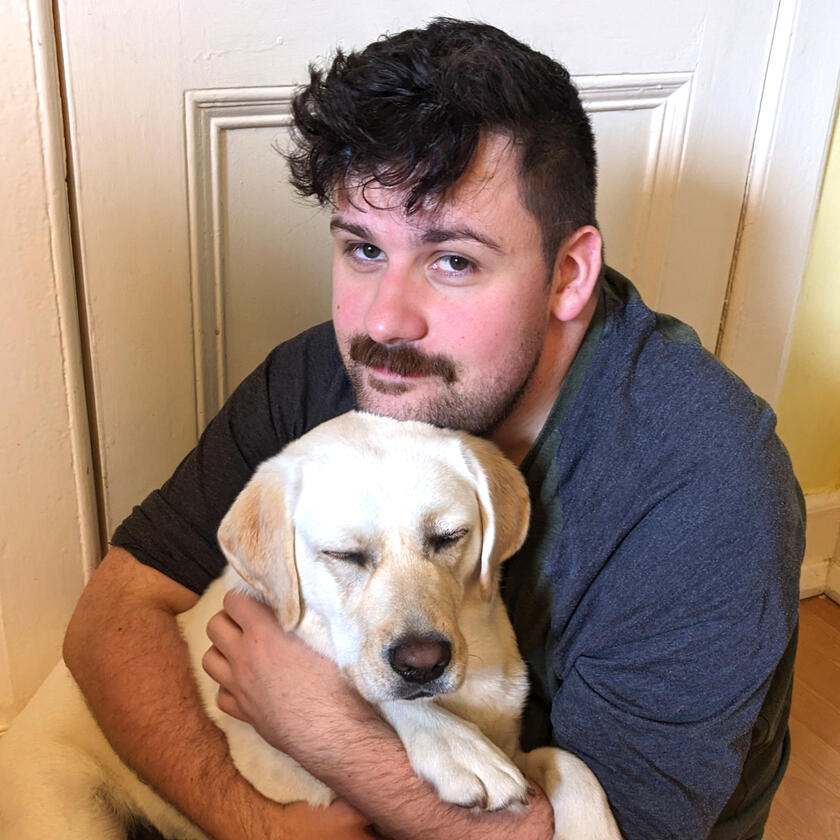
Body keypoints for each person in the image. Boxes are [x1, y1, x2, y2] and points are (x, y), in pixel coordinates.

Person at [63, 18, 804, 840]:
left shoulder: (704, 484)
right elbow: (117, 608)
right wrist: (253, 824)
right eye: (362, 249)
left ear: (568, 274)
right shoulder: (330, 375)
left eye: (453, 260)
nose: (383, 320)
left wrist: (328, 728)